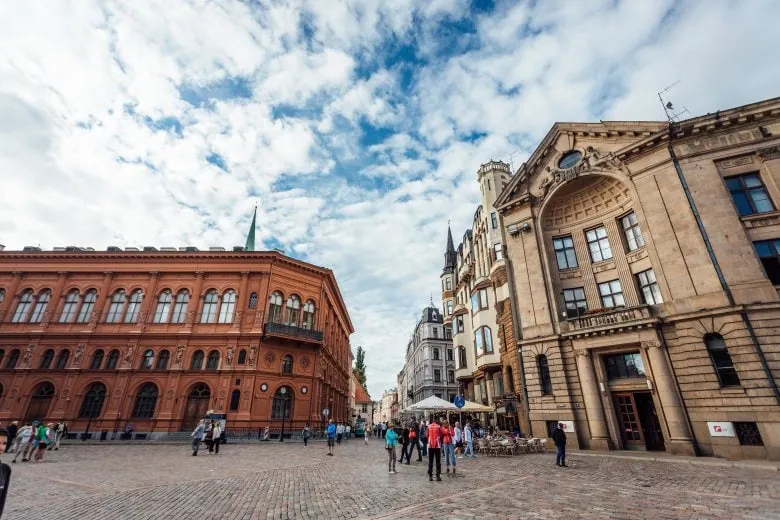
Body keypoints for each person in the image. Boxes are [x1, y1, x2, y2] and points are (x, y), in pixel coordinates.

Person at [426, 417, 442, 481]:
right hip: (437, 445)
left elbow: (426, 434)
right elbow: (441, 434)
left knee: (430, 461)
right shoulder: (438, 426)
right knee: (438, 461)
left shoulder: (429, 426)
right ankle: (438, 476)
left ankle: (430, 476)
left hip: (430, 445)